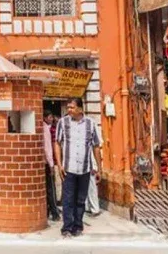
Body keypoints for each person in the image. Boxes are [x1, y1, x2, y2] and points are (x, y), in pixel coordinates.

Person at [54, 97, 102, 238]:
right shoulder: (62, 123)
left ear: (80, 109)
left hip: (85, 169)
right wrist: (59, 164)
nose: (69, 110)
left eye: (72, 107)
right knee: (68, 199)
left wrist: (99, 168)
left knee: (80, 200)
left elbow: (96, 147)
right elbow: (57, 143)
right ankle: (67, 228)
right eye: (68, 107)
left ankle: (77, 226)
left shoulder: (91, 124)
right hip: (68, 168)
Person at [42, 111, 60, 221]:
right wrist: (52, 165)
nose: (51, 119)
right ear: (44, 117)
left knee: (46, 188)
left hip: (43, 163)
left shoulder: (42, 127)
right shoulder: (46, 130)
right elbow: (48, 148)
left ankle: (48, 211)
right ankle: (55, 213)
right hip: (48, 163)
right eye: (49, 117)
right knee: (51, 189)